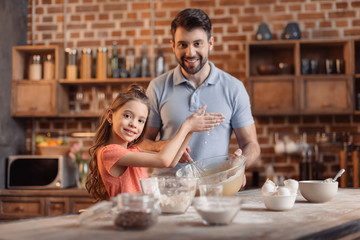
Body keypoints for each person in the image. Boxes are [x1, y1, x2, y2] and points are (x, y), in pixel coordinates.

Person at [140, 8, 261, 179]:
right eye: (183, 44)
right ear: (173, 45)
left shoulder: (234, 88)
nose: (190, 53)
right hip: (168, 192)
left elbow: (251, 144)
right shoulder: (157, 87)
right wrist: (169, 146)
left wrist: (240, 164)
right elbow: (141, 142)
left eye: (197, 44)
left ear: (210, 43)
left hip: (215, 192)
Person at [86, 84, 224, 202]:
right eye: (127, 116)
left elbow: (171, 162)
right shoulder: (109, 152)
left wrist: (191, 130)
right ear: (110, 116)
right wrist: (186, 126)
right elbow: (163, 160)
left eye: (141, 120)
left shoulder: (132, 150)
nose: (134, 124)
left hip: (142, 216)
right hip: (129, 218)